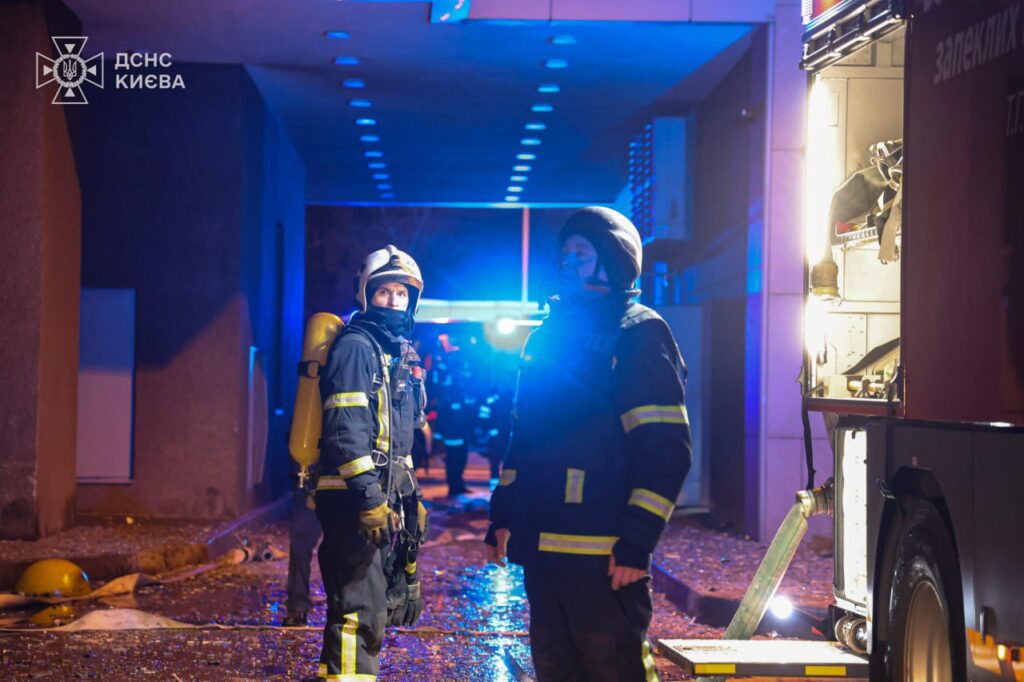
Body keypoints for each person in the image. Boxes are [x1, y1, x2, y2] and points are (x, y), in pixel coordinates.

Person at [485, 207, 692, 682]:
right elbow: (523, 438)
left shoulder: (639, 333)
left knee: (615, 667)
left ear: (615, 260)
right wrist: (503, 515)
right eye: (566, 254)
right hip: (541, 547)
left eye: (580, 253)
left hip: (603, 552)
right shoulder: (547, 336)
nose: (567, 262)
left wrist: (636, 543)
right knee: (554, 667)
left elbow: (665, 450)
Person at [311, 245, 429, 681]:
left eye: (402, 293)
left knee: (363, 601)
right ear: (366, 295)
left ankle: (334, 673)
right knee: (360, 608)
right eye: (384, 291)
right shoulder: (357, 348)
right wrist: (368, 501)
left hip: (379, 494)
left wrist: (411, 498)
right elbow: (346, 432)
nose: (394, 300)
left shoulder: (396, 353)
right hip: (352, 497)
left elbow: (400, 441)